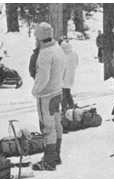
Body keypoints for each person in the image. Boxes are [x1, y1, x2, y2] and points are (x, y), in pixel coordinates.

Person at [31, 22, 66, 171]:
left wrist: (35, 91)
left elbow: (43, 78)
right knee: (57, 124)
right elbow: (64, 70)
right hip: (57, 91)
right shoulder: (58, 49)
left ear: (39, 37)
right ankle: (56, 156)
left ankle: (49, 161)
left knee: (48, 127)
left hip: (46, 95)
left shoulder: (44, 54)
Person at [60, 40, 79, 114]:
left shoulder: (61, 55)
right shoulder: (74, 54)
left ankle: (64, 108)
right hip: (71, 75)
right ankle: (71, 105)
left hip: (62, 76)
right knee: (68, 91)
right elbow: (76, 63)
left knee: (63, 93)